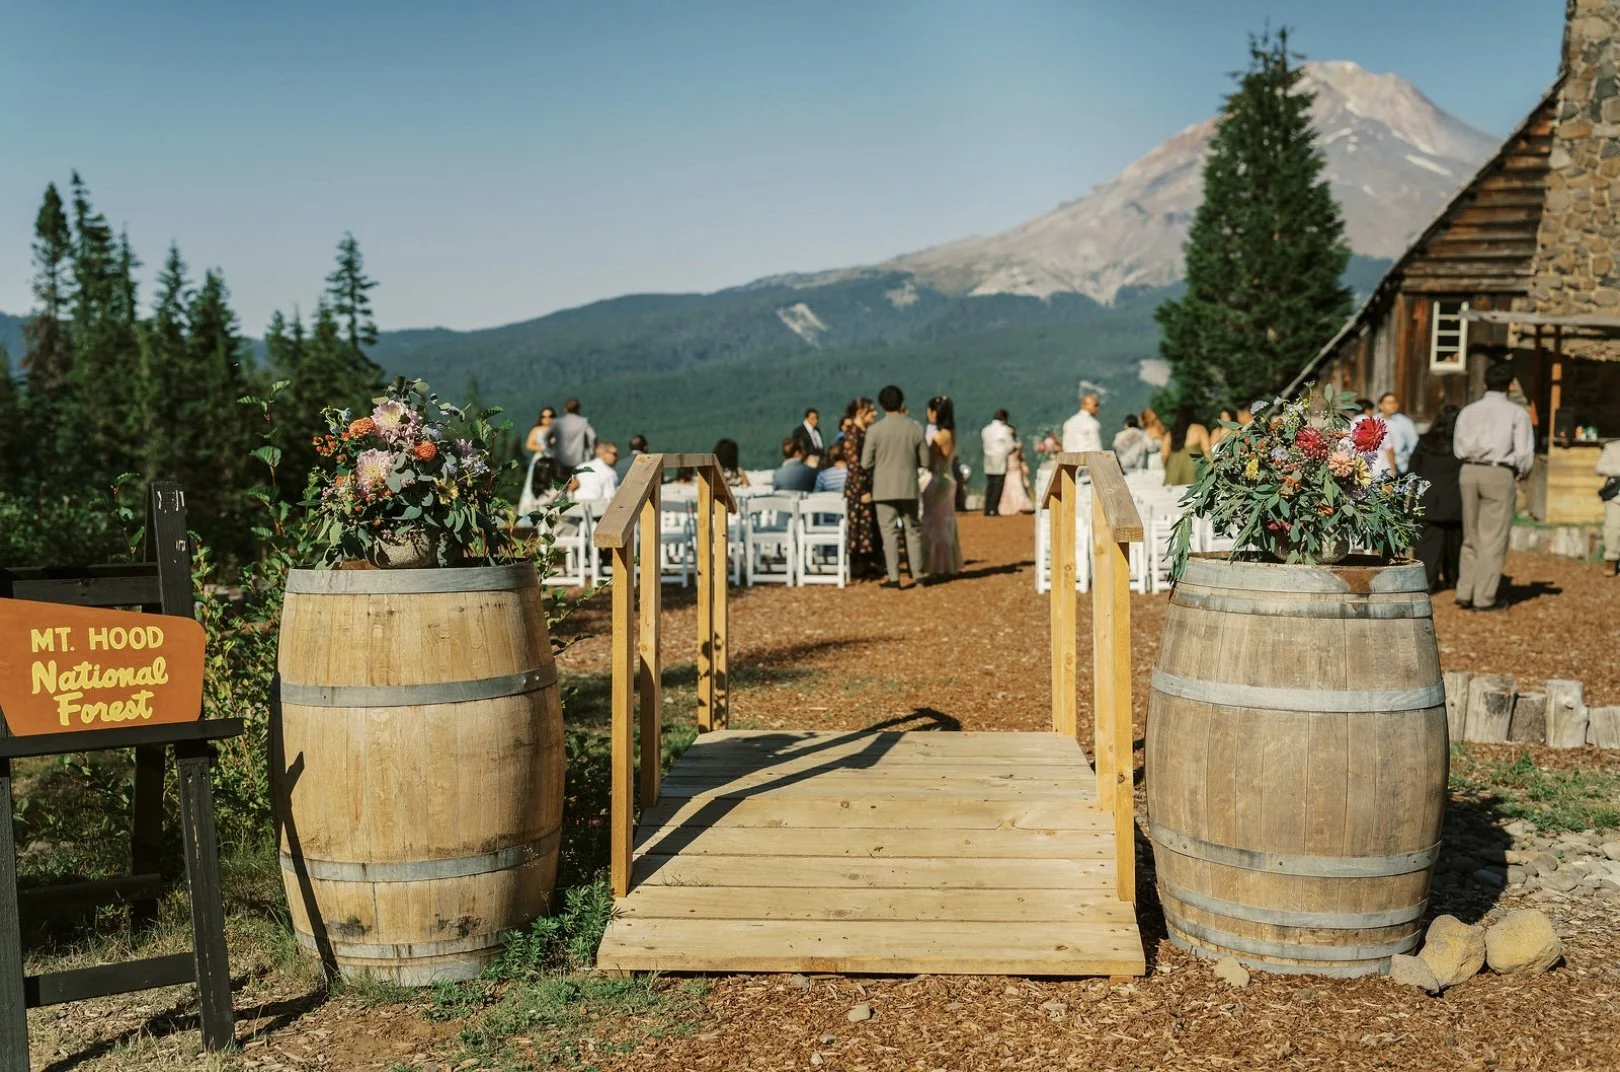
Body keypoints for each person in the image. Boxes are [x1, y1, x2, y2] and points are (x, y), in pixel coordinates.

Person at [1452, 360, 1534, 611]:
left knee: (1471, 533)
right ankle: (1484, 598)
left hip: (1468, 468)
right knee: (1493, 537)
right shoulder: (1517, 413)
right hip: (1498, 471)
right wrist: (1522, 472)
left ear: (1485, 383)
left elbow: (1458, 445)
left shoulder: (1468, 410)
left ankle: (1465, 591)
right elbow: (1524, 451)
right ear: (1510, 386)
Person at [861, 385, 930, 589]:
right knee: (912, 530)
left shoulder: (875, 430)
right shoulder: (915, 427)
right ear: (901, 402)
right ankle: (918, 574)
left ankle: (894, 577)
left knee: (888, 532)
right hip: (908, 485)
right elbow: (924, 460)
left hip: (883, 488)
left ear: (882, 405)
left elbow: (865, 462)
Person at [1409, 405, 1464, 593]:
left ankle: (1427, 582)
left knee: (1427, 547)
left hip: (1429, 501)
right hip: (1455, 500)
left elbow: (1412, 469)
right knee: (1455, 546)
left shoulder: (1424, 441)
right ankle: (1455, 579)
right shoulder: (1462, 443)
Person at [920, 397, 963, 580]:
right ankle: (947, 564)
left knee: (933, 524)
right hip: (949, 479)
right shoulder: (952, 434)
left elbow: (929, 463)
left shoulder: (938, 438)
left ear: (934, 413)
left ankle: (935, 565)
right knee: (946, 524)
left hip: (937, 480)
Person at [841, 398, 883, 579]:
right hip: (859, 489)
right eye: (870, 410)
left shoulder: (864, 433)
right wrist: (862, 491)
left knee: (867, 526)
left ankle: (868, 562)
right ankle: (859, 564)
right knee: (859, 525)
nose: (874, 413)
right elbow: (854, 466)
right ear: (860, 413)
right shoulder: (853, 434)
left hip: (868, 485)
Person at [1162, 406, 1210, 487]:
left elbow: (1164, 456)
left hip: (1172, 475)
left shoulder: (1170, 433)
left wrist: (1169, 468)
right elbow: (1207, 452)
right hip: (1193, 475)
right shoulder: (1199, 429)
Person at [980, 408, 1016, 516]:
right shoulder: (1004, 430)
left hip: (988, 459)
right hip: (1000, 459)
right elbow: (1010, 446)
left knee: (990, 484)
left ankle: (987, 508)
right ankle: (993, 508)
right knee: (998, 485)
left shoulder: (985, 430)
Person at [546, 399, 596, 472]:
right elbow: (592, 437)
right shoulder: (583, 422)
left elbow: (546, 437)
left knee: (561, 482)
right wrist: (590, 452)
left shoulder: (556, 423)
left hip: (559, 459)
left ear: (565, 409)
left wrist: (550, 449)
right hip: (579, 460)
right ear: (579, 409)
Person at [1377, 393, 1419, 477]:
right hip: (1379, 467)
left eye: (1395, 402)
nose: (1393, 405)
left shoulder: (1405, 422)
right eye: (1389, 402)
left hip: (1401, 467)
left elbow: (1414, 445)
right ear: (1380, 405)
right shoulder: (1375, 420)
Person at [1598, 437, 1620, 578]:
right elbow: (1600, 468)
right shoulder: (1612, 447)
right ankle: (1611, 559)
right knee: (1613, 526)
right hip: (1616, 495)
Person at [998, 432, 1035, 515]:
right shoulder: (1016, 445)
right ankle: (1019, 506)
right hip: (1013, 468)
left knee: (1012, 487)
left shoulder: (1007, 446)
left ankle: (1014, 507)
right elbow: (1021, 457)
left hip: (1011, 468)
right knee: (1015, 487)